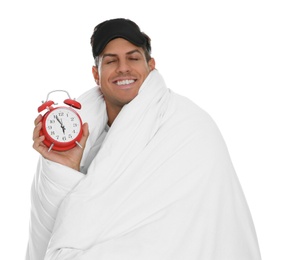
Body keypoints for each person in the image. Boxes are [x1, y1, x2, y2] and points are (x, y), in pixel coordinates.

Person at [26, 18, 262, 260]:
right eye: (111, 61)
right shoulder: (75, 130)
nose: (123, 68)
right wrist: (62, 170)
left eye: (133, 58)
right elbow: (50, 230)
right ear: (96, 74)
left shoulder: (189, 125)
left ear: (151, 66)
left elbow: (191, 225)